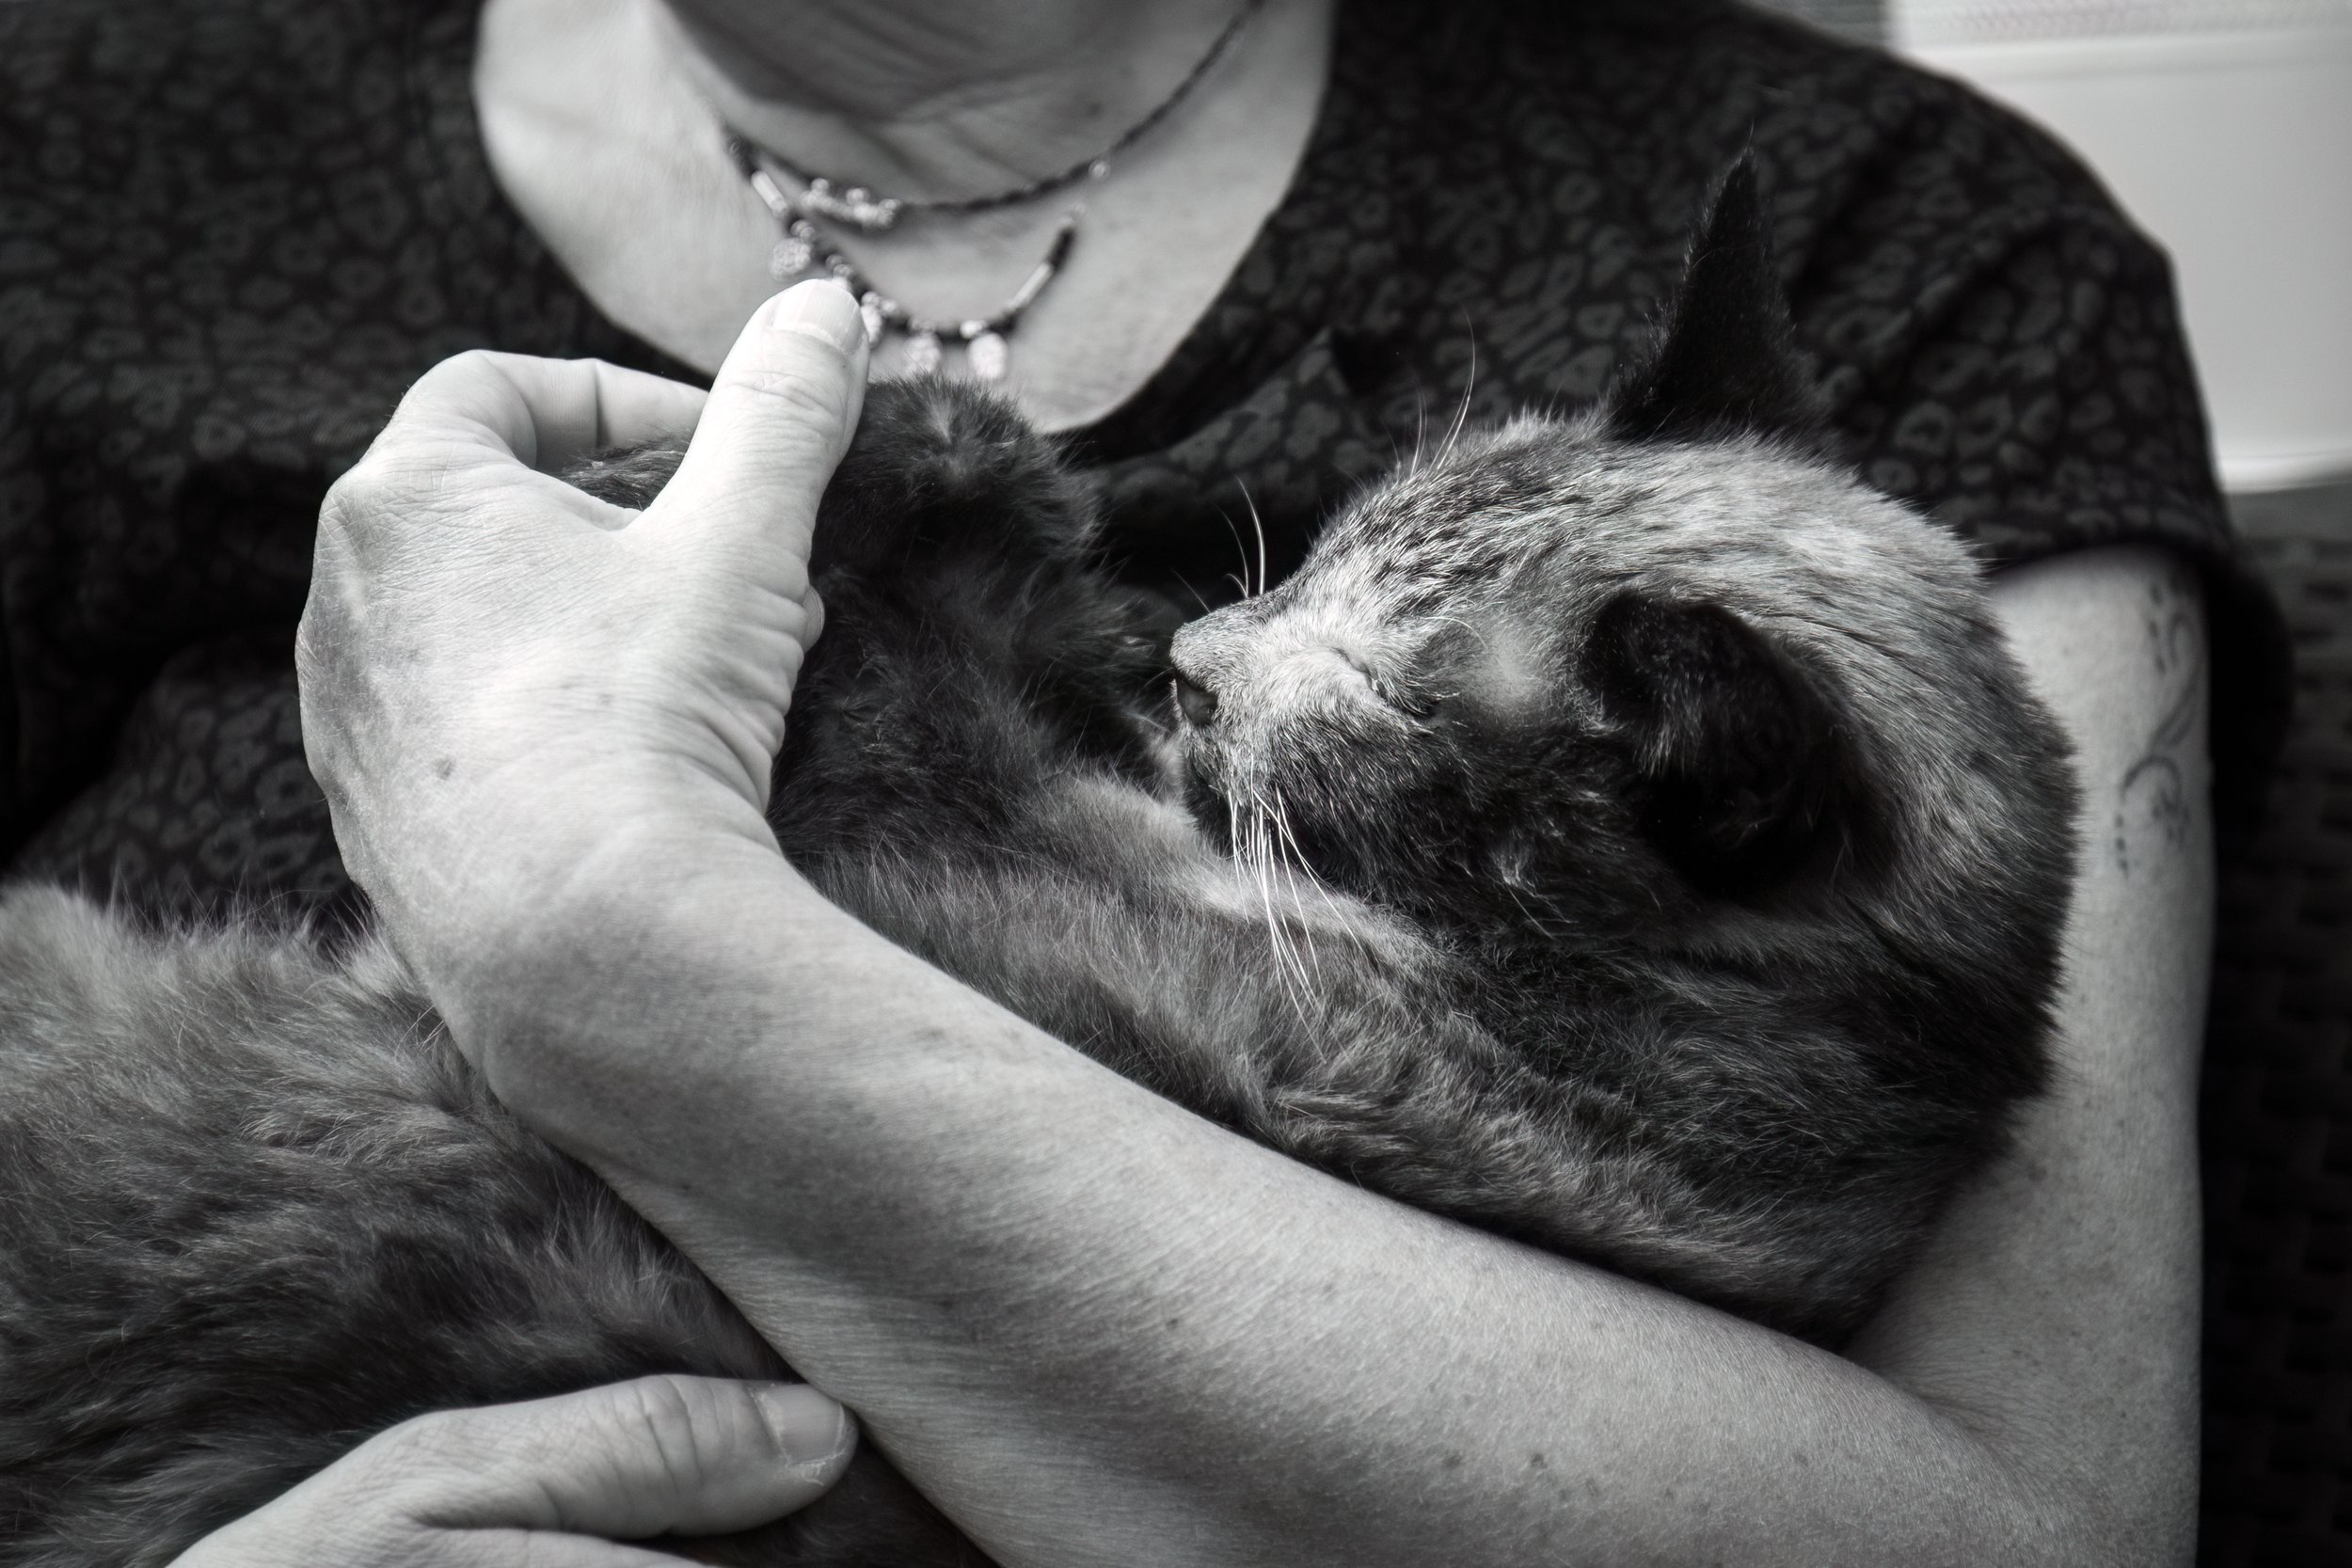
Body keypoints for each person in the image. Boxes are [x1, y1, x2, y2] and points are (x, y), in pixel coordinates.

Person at [0, 0, 2261, 1560]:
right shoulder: (89, 144)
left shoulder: (1912, 248)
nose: (1200, 648)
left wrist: (598, 940)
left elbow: (1994, 1537)